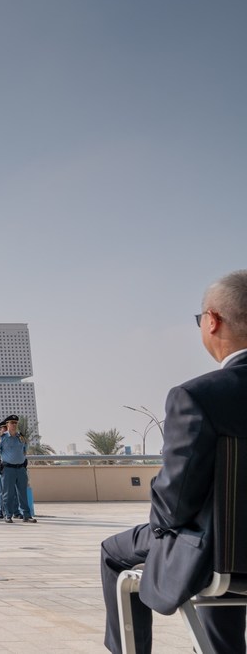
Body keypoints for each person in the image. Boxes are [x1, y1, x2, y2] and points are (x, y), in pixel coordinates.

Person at [101, 270, 247, 654]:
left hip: (226, 553)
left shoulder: (199, 396)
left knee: (117, 552)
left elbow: (173, 504)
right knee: (215, 541)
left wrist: (163, 526)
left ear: (212, 321)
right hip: (229, 548)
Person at [0, 414, 35, 523]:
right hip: (8, 468)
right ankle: (8, 515)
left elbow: (24, 450)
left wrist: (21, 459)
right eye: (12, 423)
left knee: (22, 493)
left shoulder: (21, 438)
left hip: (21, 468)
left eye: (15, 423)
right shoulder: (1, 438)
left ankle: (26, 515)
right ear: (7, 424)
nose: (14, 425)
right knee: (8, 493)